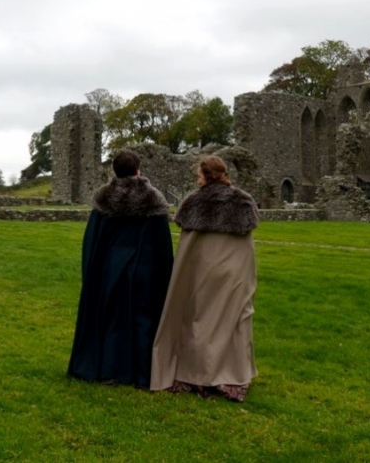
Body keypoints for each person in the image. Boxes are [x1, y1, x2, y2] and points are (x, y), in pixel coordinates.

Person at [150, 155, 259, 402]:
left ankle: (198, 374)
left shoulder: (195, 202)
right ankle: (230, 376)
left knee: (200, 317)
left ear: (207, 176)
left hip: (203, 272)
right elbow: (246, 248)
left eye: (199, 175)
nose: (197, 180)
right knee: (233, 319)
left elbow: (189, 248)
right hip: (233, 273)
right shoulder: (243, 202)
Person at [67, 149, 174, 388]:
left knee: (112, 319)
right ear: (138, 170)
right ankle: (142, 373)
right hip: (144, 270)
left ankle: (110, 370)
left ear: (114, 170)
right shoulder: (152, 198)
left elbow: (93, 241)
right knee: (142, 319)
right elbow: (161, 244)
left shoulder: (104, 198)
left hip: (110, 271)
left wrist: (95, 271)